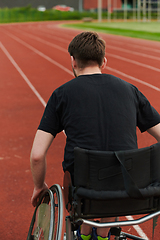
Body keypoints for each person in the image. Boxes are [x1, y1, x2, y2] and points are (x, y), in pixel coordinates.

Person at [30, 31, 160, 240]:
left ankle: (84, 233)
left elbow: (37, 155)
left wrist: (39, 186)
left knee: (90, 178)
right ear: (104, 61)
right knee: (114, 173)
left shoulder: (61, 95)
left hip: (84, 191)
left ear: (73, 61)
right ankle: (103, 234)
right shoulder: (130, 90)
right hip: (131, 190)